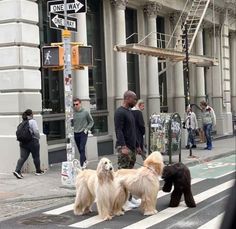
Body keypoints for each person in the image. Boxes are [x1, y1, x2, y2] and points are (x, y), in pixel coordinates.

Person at [114, 90, 141, 209]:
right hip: (124, 148)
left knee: (129, 177)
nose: (135, 101)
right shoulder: (119, 112)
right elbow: (118, 130)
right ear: (128, 98)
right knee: (122, 177)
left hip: (132, 148)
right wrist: (123, 146)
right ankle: (122, 201)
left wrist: (137, 145)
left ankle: (129, 198)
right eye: (134, 99)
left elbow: (133, 131)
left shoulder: (129, 112)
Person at [13, 109, 44, 179]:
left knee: (22, 157)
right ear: (31, 114)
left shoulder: (22, 122)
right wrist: (38, 137)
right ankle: (38, 171)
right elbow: (36, 130)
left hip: (23, 142)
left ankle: (17, 171)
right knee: (36, 156)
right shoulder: (32, 121)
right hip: (32, 141)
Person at [73, 98, 94, 169]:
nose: (75, 106)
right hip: (76, 132)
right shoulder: (73, 113)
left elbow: (91, 121)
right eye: (74, 104)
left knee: (82, 148)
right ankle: (85, 160)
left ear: (80, 104)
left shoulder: (85, 112)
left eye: (77, 104)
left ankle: (82, 165)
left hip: (83, 132)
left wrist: (87, 129)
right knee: (79, 149)